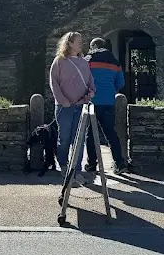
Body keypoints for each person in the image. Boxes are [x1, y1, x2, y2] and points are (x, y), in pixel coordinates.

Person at [49, 31, 95, 185]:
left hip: (81, 106)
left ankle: (76, 170)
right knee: (64, 139)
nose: (81, 43)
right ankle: (63, 165)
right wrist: (63, 101)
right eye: (78, 41)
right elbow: (54, 83)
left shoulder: (84, 62)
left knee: (79, 140)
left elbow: (90, 82)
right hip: (64, 107)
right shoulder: (59, 61)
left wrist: (90, 94)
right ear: (69, 43)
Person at [83, 37, 134, 175]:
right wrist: (111, 91)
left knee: (90, 135)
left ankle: (92, 164)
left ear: (93, 46)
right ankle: (119, 163)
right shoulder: (115, 62)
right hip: (108, 102)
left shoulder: (87, 60)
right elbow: (120, 83)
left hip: (91, 102)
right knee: (111, 134)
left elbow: (81, 79)